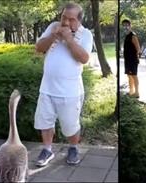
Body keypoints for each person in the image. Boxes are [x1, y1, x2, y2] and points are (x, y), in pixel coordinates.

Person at [34, 3, 93, 167]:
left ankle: (73, 147)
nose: (66, 22)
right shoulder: (53, 26)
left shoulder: (86, 34)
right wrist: (53, 36)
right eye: (63, 17)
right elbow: (39, 47)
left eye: (71, 19)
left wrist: (68, 39)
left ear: (79, 20)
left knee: (70, 125)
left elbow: (84, 58)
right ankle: (47, 149)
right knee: (45, 122)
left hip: (70, 92)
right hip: (46, 88)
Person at [122, 19, 141, 98]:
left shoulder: (133, 36)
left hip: (132, 60)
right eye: (124, 25)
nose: (125, 27)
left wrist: (136, 58)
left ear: (130, 26)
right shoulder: (127, 36)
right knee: (129, 75)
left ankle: (136, 93)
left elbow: (138, 48)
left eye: (127, 25)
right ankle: (131, 91)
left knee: (134, 75)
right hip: (127, 60)